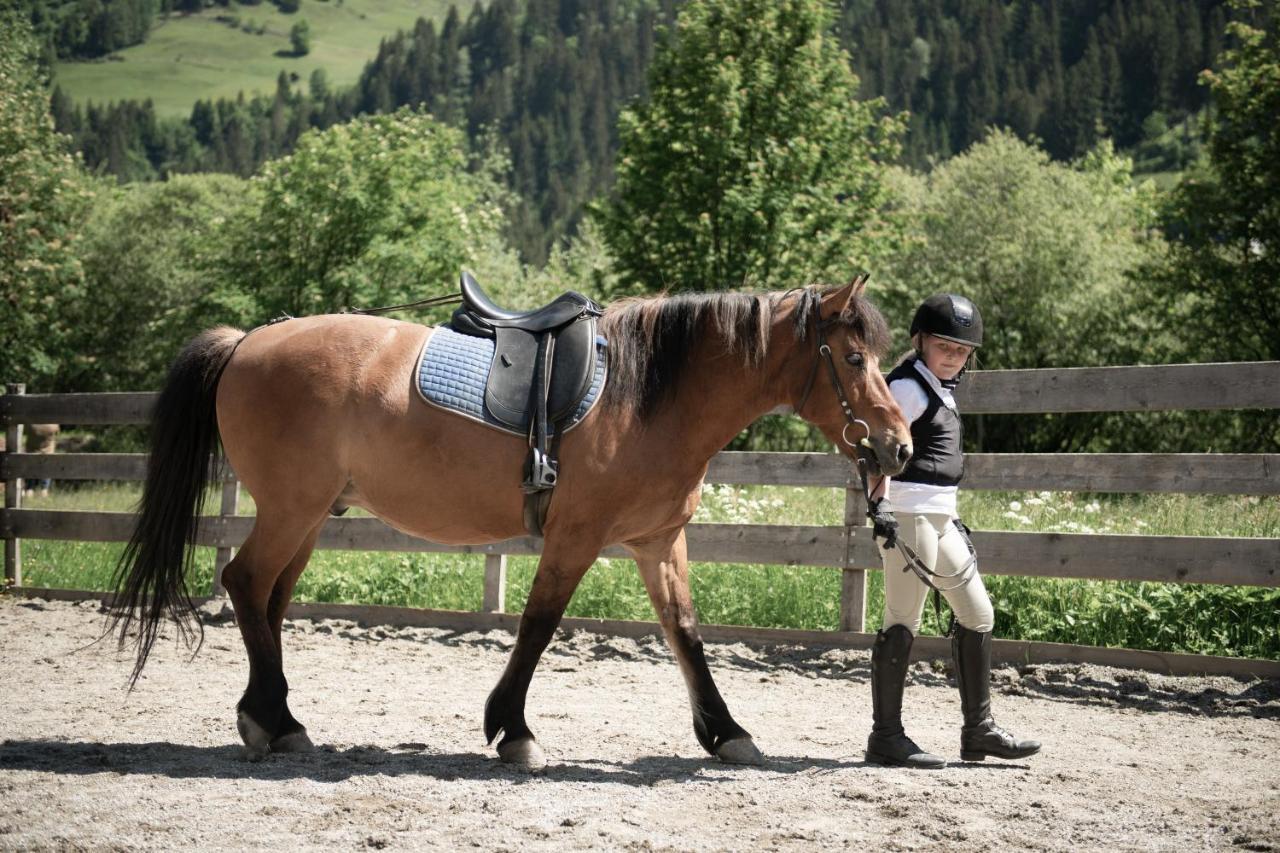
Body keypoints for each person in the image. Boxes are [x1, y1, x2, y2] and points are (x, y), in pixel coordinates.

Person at [863, 294, 1039, 769]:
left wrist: (949, 512)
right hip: (909, 515)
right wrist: (877, 507)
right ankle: (886, 737)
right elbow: (876, 451)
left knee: (977, 614)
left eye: (962, 351)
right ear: (920, 341)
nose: (954, 357)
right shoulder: (908, 388)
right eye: (946, 347)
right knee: (902, 619)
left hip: (940, 518)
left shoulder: (939, 388)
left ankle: (978, 731)